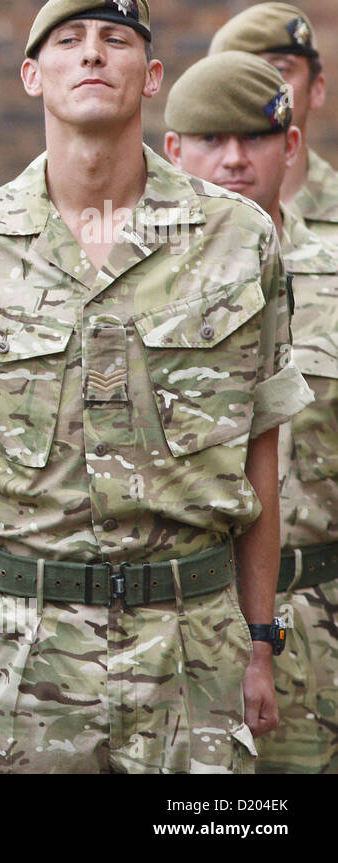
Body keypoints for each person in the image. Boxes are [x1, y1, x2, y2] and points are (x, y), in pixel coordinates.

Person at [0, 0, 310, 773]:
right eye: (68, 41)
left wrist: (260, 640)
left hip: (196, 646)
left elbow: (262, 446)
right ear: (31, 76)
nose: (93, 51)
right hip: (32, 653)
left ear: (152, 78)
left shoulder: (238, 240)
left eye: (117, 40)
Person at [166, 49, 338, 775]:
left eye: (257, 138)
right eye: (211, 139)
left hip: (317, 615)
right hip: (174, 627)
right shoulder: (133, 286)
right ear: (173, 151)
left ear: (291, 146)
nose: (234, 160)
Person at [210, 3, 334, 245]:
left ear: (316, 89)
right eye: (243, 73)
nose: (261, 87)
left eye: (279, 69)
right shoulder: (176, 216)